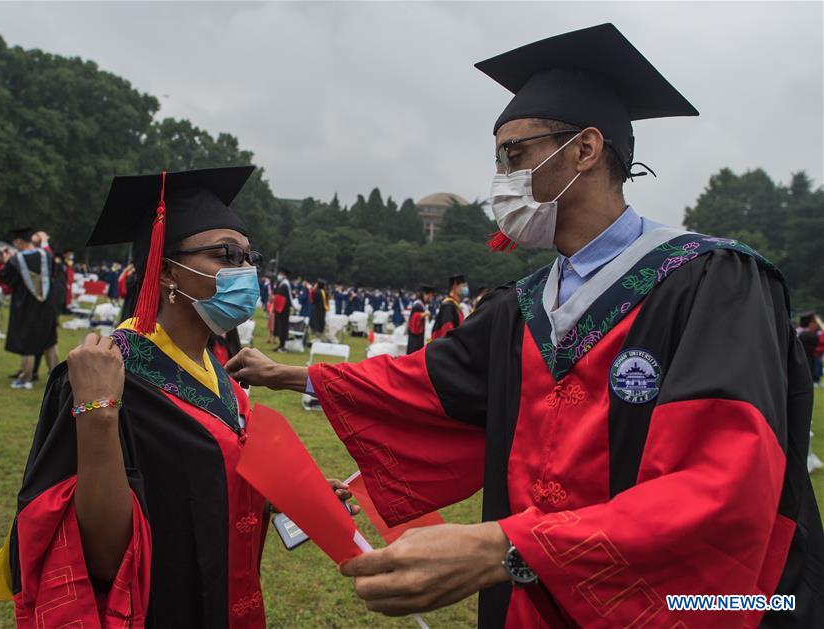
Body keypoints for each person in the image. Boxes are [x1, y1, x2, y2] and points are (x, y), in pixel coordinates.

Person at [228, 23, 823, 627]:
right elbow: (431, 384)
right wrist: (294, 375)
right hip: (526, 606)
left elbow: (727, 482)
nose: (501, 178)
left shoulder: (709, 282)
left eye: (515, 154)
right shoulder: (525, 304)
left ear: (585, 150)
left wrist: (508, 546)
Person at [0, 166, 357, 627]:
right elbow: (96, 556)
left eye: (248, 256)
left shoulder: (216, 374)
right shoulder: (106, 375)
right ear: (165, 272)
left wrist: (287, 497)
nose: (245, 270)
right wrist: (98, 414)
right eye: (225, 254)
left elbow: (196, 482)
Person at [0, 228, 59, 390]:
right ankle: (56, 378)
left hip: (26, 307)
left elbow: (5, 278)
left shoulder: (15, 260)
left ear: (19, 242)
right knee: (49, 342)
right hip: (47, 307)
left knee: (27, 343)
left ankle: (25, 377)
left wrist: (6, 261)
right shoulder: (46, 255)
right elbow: (53, 273)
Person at [431, 274, 467, 341]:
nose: (465, 289)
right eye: (463, 286)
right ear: (455, 286)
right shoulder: (448, 305)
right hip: (447, 345)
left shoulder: (455, 305)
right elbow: (447, 329)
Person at [272, 266, 295, 352]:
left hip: (283, 309)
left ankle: (282, 346)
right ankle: (280, 345)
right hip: (280, 309)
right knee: (280, 327)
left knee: (283, 327)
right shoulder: (281, 283)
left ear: (284, 275)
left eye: (281, 273)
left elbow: (283, 297)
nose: (279, 275)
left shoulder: (285, 284)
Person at [405, 284, 433, 354]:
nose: (432, 298)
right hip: (416, 338)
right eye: (431, 295)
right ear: (426, 295)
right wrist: (422, 315)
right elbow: (414, 320)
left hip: (418, 338)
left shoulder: (422, 305)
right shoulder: (418, 305)